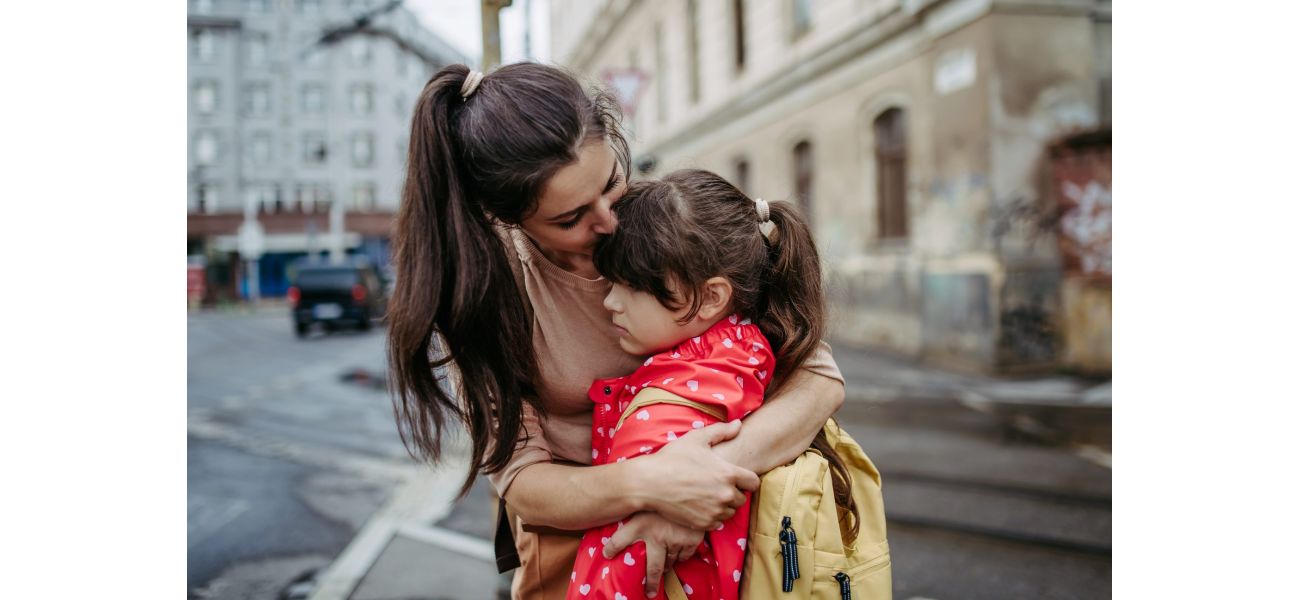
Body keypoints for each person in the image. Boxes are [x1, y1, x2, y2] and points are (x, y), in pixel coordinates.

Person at [385, 63, 846, 600]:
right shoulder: (484, 295)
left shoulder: (664, 226)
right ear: (506, 217)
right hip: (584, 559)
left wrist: (699, 489)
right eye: (571, 217)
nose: (608, 221)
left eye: (610, 185)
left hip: (731, 539)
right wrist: (652, 488)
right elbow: (524, 484)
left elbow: (817, 377)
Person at [565, 169, 825, 600]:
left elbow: (624, 556)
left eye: (629, 286)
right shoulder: (747, 350)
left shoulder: (679, 398)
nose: (610, 302)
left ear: (711, 297)